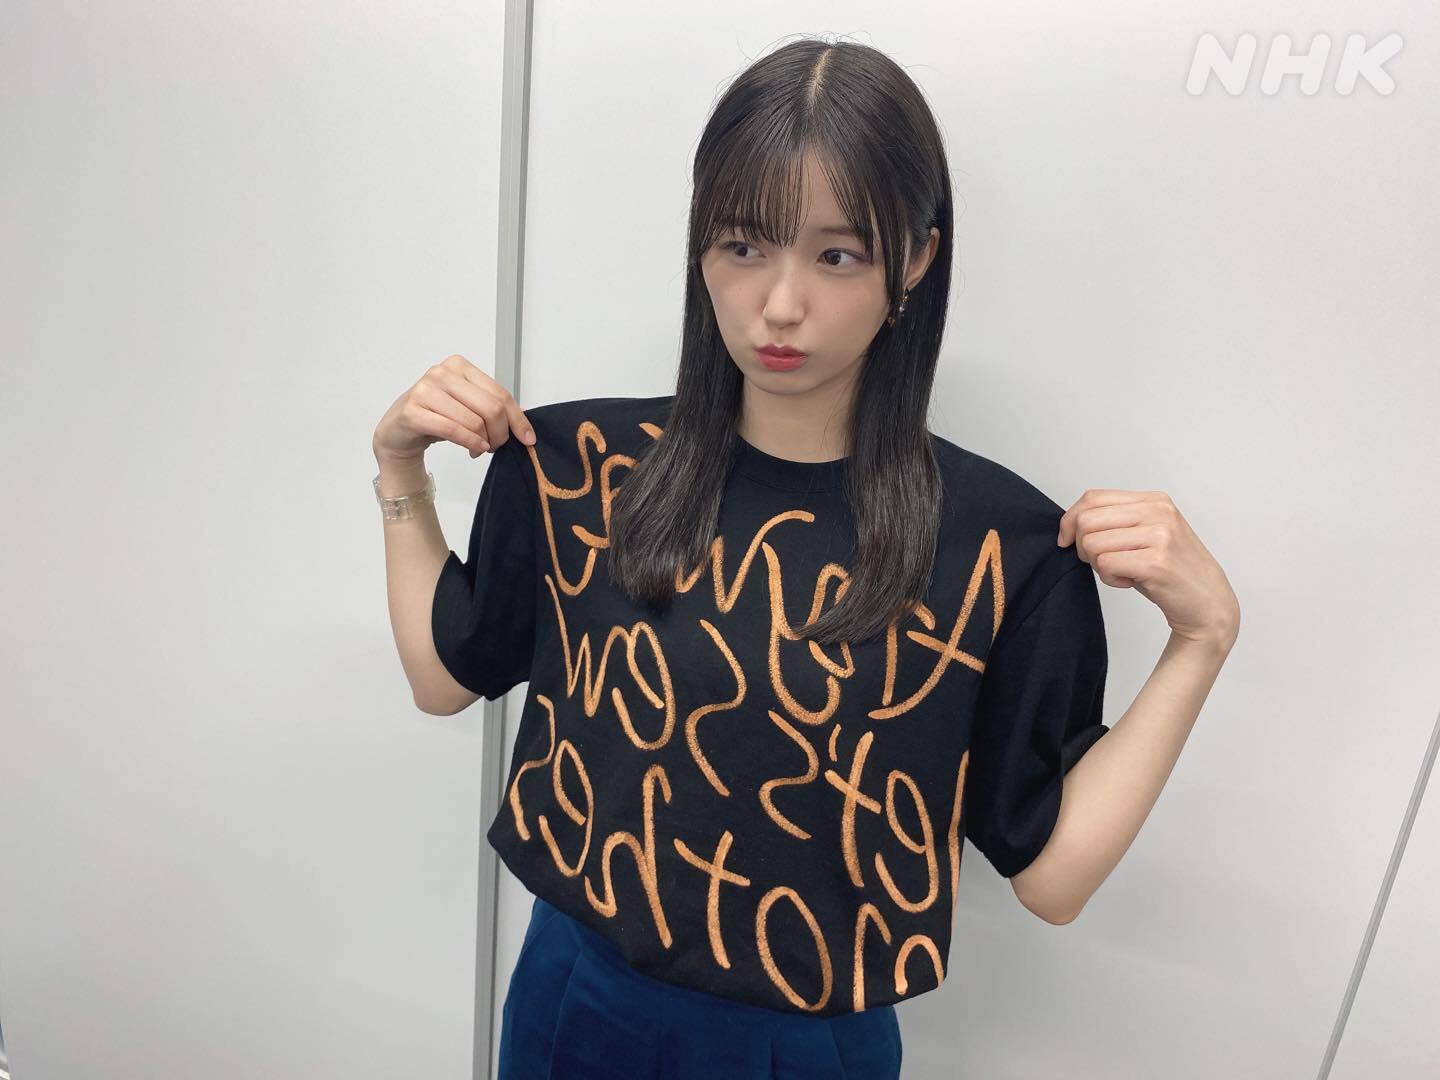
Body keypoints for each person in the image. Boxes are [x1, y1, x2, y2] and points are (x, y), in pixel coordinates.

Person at [372, 35, 1240, 1080]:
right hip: (577, 1003)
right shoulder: (586, 469)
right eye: (744, 245)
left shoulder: (997, 551)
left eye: (838, 256)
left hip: (808, 1045)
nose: (780, 306)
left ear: (914, 260)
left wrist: (1201, 640)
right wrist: (399, 469)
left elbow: (1051, 880)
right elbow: (445, 678)